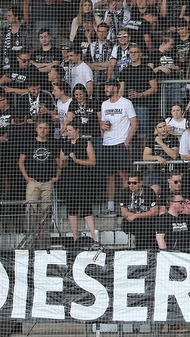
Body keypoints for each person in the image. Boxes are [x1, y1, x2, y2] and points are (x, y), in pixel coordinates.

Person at [99, 78, 138, 216]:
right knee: (109, 176)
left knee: (123, 175)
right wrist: (102, 127)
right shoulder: (104, 104)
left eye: (107, 87)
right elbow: (102, 123)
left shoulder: (126, 103)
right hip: (107, 144)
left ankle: (126, 205)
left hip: (121, 143)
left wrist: (127, 141)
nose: (105, 89)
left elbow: (134, 123)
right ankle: (110, 207)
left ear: (115, 88)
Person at [57, 121, 98, 247]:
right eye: (67, 130)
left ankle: (94, 238)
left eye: (70, 130)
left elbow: (92, 161)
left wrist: (77, 160)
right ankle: (75, 238)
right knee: (72, 209)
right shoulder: (65, 145)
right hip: (69, 181)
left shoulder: (85, 143)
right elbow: (60, 163)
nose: (69, 133)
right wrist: (63, 162)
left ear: (77, 129)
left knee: (86, 209)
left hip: (83, 180)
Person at [119, 174, 160, 249]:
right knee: (127, 223)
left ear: (141, 183)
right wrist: (134, 216)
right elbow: (124, 212)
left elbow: (154, 212)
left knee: (146, 225)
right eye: (129, 183)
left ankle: (143, 248)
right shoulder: (124, 192)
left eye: (134, 183)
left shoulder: (149, 192)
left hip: (147, 221)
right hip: (132, 221)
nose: (131, 185)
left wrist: (135, 215)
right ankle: (141, 248)